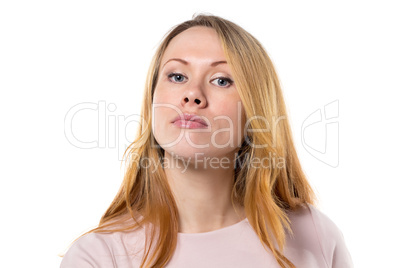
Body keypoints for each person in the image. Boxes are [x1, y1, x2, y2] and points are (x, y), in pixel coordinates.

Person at [60, 14, 353, 268]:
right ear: (152, 101)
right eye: (176, 76)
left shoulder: (315, 235)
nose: (192, 94)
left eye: (221, 80)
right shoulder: (98, 257)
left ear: (255, 112)